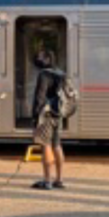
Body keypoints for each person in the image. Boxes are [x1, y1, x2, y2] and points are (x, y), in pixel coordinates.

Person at [31, 50, 66, 190]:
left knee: (46, 145)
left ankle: (47, 181)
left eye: (39, 56)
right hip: (58, 114)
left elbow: (40, 97)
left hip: (45, 115)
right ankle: (59, 179)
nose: (37, 58)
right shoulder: (60, 73)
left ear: (46, 58)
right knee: (57, 145)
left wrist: (35, 117)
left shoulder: (44, 74)